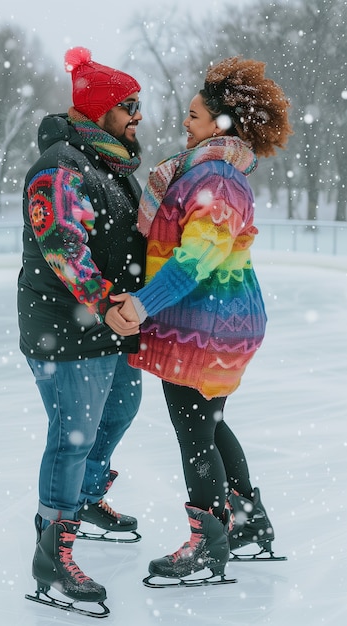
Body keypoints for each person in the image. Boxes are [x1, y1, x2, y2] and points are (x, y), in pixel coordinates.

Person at [107, 56, 293, 583]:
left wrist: (142, 304)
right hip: (209, 322)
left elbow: (195, 259)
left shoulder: (218, 180)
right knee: (207, 422)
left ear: (219, 124)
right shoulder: (199, 172)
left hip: (209, 325)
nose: (185, 123)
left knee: (194, 430)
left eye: (193, 115)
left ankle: (208, 543)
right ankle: (247, 522)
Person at [17, 46, 146, 612]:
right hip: (66, 328)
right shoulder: (60, 166)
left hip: (103, 325)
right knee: (72, 439)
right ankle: (52, 553)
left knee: (120, 408)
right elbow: (61, 243)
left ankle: (86, 500)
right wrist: (101, 300)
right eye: (129, 105)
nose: (139, 114)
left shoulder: (112, 164)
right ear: (101, 110)